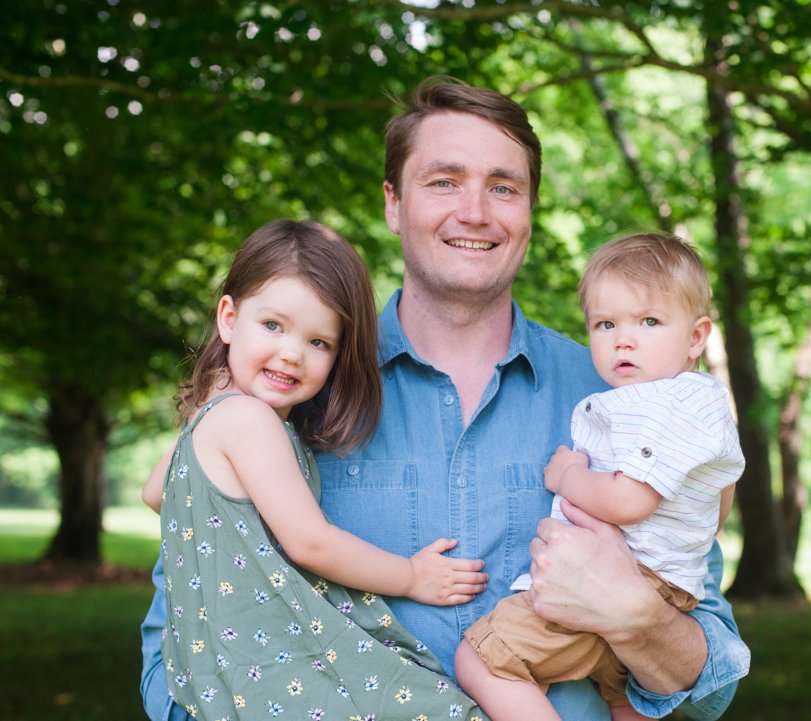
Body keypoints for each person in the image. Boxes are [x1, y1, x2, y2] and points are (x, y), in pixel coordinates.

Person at [141, 77, 751, 721]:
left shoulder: (625, 396)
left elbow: (709, 684)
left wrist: (634, 616)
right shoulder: (291, 391)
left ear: (529, 212)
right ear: (393, 204)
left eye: (504, 187)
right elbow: (185, 635)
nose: (476, 211)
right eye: (443, 181)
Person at [140, 219, 488, 720]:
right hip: (267, 673)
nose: (291, 353)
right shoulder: (250, 421)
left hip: (228, 669)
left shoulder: (219, 414)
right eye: (273, 326)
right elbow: (311, 542)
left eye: (319, 343)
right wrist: (411, 576)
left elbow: (157, 493)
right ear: (229, 318)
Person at [454, 232, 745, 721]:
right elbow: (719, 502)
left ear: (696, 337)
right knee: (625, 696)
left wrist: (567, 476)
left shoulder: (661, 403)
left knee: (481, 660)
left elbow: (629, 502)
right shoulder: (705, 405)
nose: (623, 339)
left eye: (649, 321)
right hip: (671, 588)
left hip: (617, 584)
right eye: (605, 324)